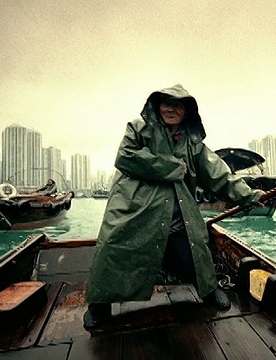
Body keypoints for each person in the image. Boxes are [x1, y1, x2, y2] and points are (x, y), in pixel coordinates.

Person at [83, 84, 265, 328]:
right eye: (166, 103)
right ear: (156, 106)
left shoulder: (193, 143)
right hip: (136, 207)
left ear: (186, 110)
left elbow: (219, 174)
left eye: (177, 104)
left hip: (178, 210)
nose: (171, 109)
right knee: (114, 245)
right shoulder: (139, 129)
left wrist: (249, 195)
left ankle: (209, 292)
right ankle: (99, 305)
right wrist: (173, 167)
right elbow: (125, 157)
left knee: (197, 248)